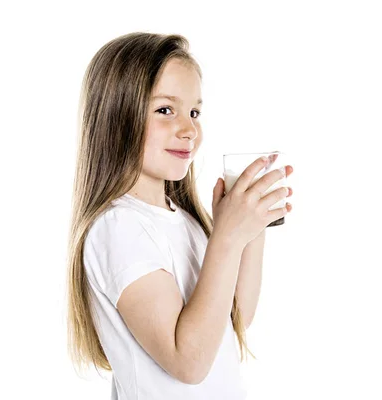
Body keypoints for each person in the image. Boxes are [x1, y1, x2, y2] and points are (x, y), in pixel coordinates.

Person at [66, 32, 293, 399]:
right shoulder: (119, 227)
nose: (190, 130)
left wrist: (250, 228)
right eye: (165, 110)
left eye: (194, 112)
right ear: (116, 115)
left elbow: (234, 321)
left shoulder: (182, 220)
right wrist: (227, 238)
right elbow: (189, 362)